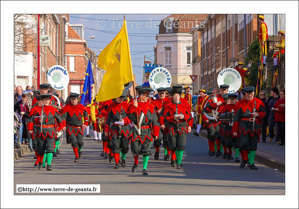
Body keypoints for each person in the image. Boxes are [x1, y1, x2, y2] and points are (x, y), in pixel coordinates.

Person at [127, 88, 160, 175]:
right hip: (136, 130)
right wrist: (133, 107)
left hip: (147, 131)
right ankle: (136, 162)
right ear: (141, 96)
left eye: (148, 96)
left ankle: (144, 168)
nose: (147, 97)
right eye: (146, 96)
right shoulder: (134, 104)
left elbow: (154, 121)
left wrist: (156, 133)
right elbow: (129, 116)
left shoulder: (151, 106)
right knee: (135, 150)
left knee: (146, 150)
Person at [232, 86, 266, 170]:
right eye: (248, 94)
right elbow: (236, 117)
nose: (250, 95)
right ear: (245, 94)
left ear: (254, 93)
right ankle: (245, 159)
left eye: (251, 93)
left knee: (253, 144)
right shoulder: (240, 103)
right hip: (243, 125)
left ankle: (251, 163)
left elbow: (264, 113)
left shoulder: (258, 102)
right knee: (243, 143)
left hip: (255, 125)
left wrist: (258, 114)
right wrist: (235, 130)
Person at [27, 94, 63, 171]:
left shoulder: (53, 109)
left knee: (50, 148)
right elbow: (31, 120)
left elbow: (60, 120)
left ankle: (49, 165)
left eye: (47, 100)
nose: (46, 101)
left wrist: (60, 128)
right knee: (40, 149)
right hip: (40, 131)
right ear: (42, 101)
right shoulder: (36, 109)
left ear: (50, 101)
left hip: (50, 132)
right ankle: (40, 162)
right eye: (44, 100)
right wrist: (31, 128)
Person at [160, 87, 192, 169]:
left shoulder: (185, 105)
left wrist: (186, 119)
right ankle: (173, 159)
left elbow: (190, 117)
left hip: (182, 126)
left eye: (178, 95)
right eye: (175, 96)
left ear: (180, 96)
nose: (176, 97)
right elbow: (164, 117)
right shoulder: (168, 106)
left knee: (181, 145)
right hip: (172, 126)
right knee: (173, 144)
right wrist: (172, 118)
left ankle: (179, 162)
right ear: (172, 97)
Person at [104, 90, 131, 169]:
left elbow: (130, 118)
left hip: (125, 128)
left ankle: (123, 159)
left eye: (123, 97)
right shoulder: (111, 106)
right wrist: (106, 130)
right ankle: (116, 162)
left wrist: (125, 120)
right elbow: (107, 119)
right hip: (114, 128)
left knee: (125, 146)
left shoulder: (126, 105)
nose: (121, 99)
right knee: (116, 145)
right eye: (120, 97)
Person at [61, 93, 88, 162]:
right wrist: (63, 126)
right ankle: (76, 156)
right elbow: (64, 117)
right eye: (72, 99)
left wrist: (85, 123)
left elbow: (86, 116)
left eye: (75, 99)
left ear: (77, 99)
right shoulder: (67, 107)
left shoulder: (81, 107)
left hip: (79, 128)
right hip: (70, 127)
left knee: (80, 142)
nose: (73, 101)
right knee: (74, 142)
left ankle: (80, 151)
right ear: (70, 99)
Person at [218, 93, 240, 161]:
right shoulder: (226, 107)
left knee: (237, 142)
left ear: (236, 99)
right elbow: (221, 114)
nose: (232, 100)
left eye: (233, 99)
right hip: (228, 126)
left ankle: (237, 157)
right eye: (231, 99)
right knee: (228, 141)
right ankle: (229, 153)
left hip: (236, 125)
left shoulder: (239, 106)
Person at [151, 87, 168, 160]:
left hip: (166, 122)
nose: (161, 95)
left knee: (166, 139)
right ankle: (157, 150)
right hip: (157, 122)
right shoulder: (154, 102)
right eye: (160, 93)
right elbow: (151, 112)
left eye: (163, 93)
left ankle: (166, 154)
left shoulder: (168, 101)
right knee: (157, 138)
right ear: (158, 94)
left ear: (165, 94)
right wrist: (156, 111)